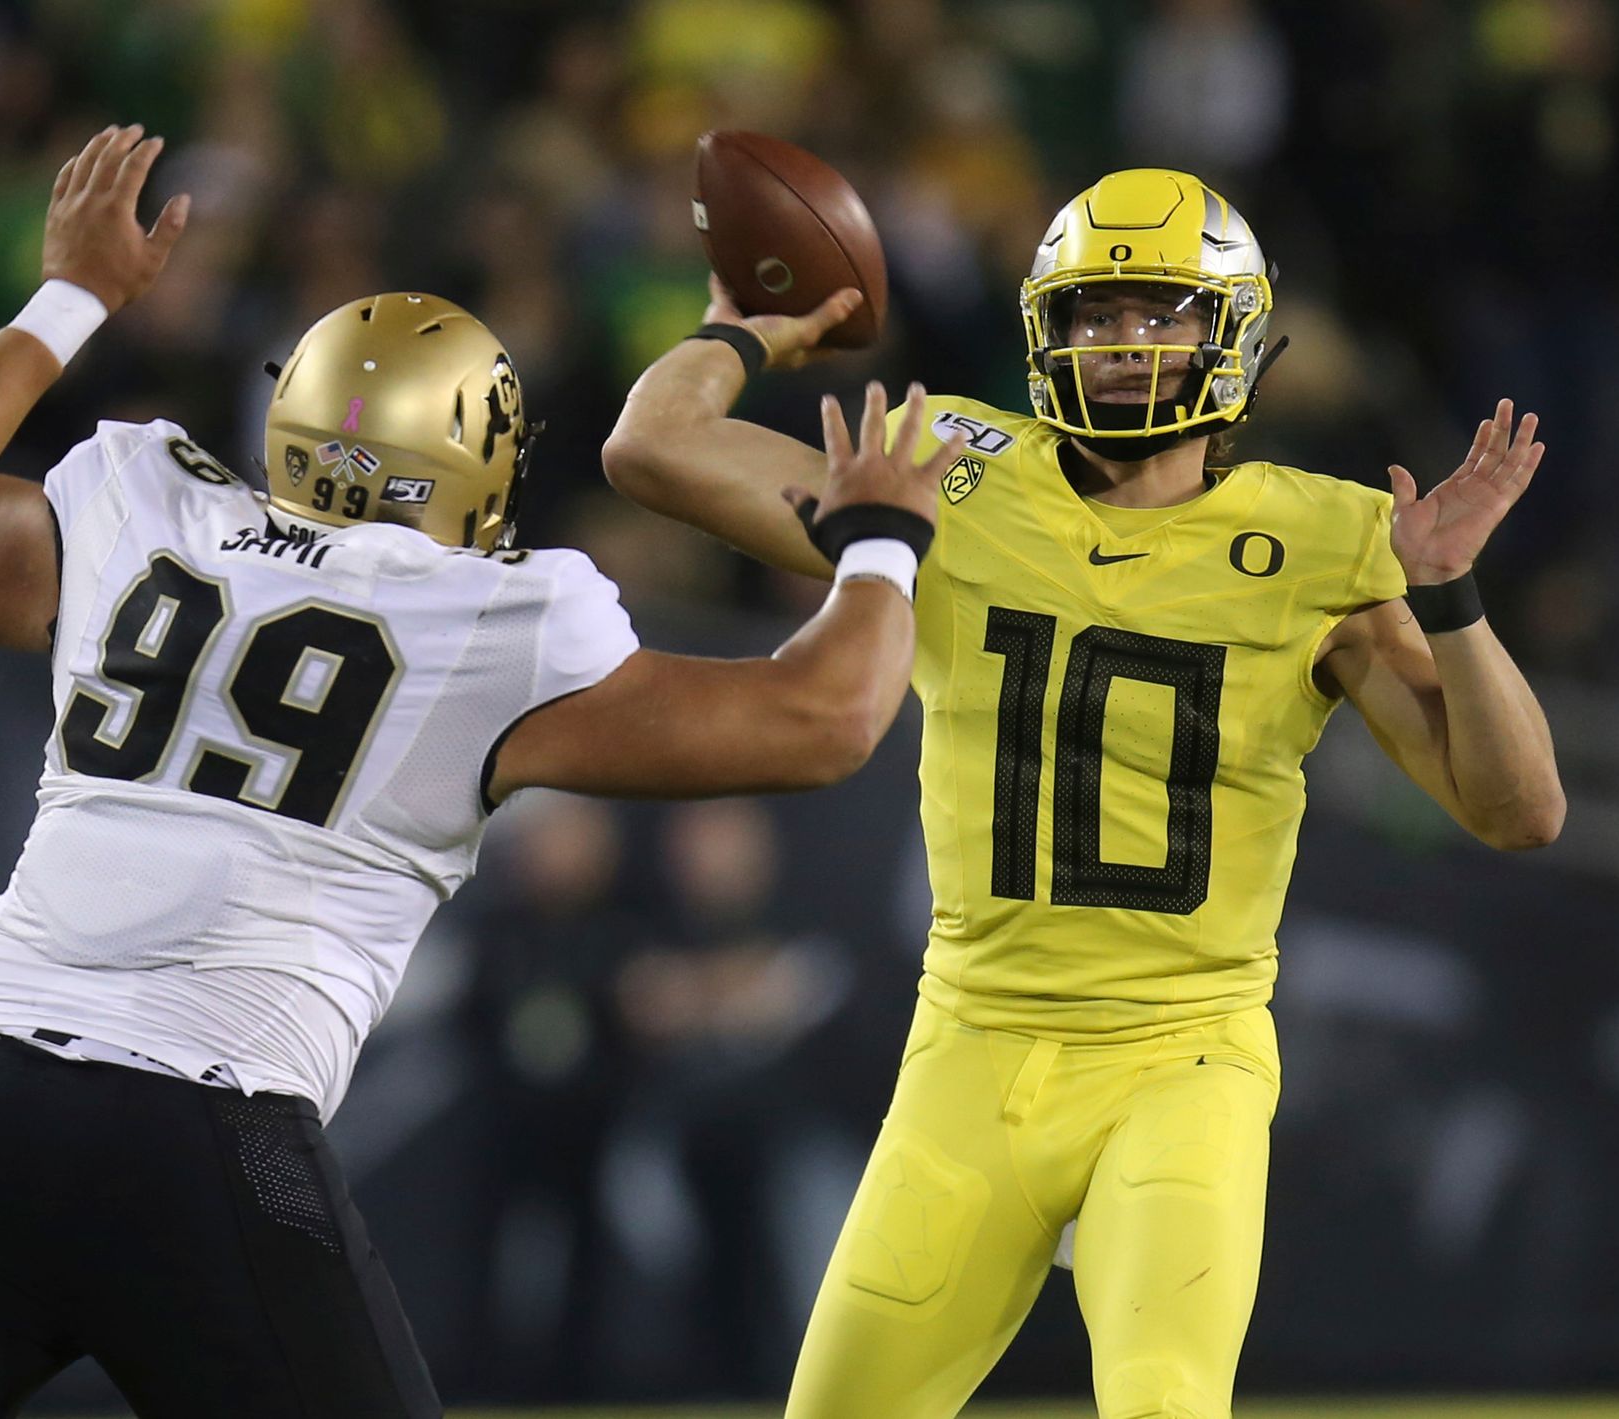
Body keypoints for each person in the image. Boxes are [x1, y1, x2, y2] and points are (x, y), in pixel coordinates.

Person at [0, 123, 964, 1418]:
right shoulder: (483, 622)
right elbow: (825, 716)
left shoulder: (148, 512)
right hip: (202, 1124)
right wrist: (881, 540)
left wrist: (73, 292)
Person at [603, 166, 1565, 1419]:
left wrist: (1450, 601)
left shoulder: (1327, 542)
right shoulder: (952, 473)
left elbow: (1519, 809)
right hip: (970, 1045)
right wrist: (735, 328)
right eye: (1095, 314)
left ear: (1236, 330)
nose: (1122, 343)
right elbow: (653, 449)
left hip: (1184, 1056)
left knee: (1165, 1403)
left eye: (1159, 312)